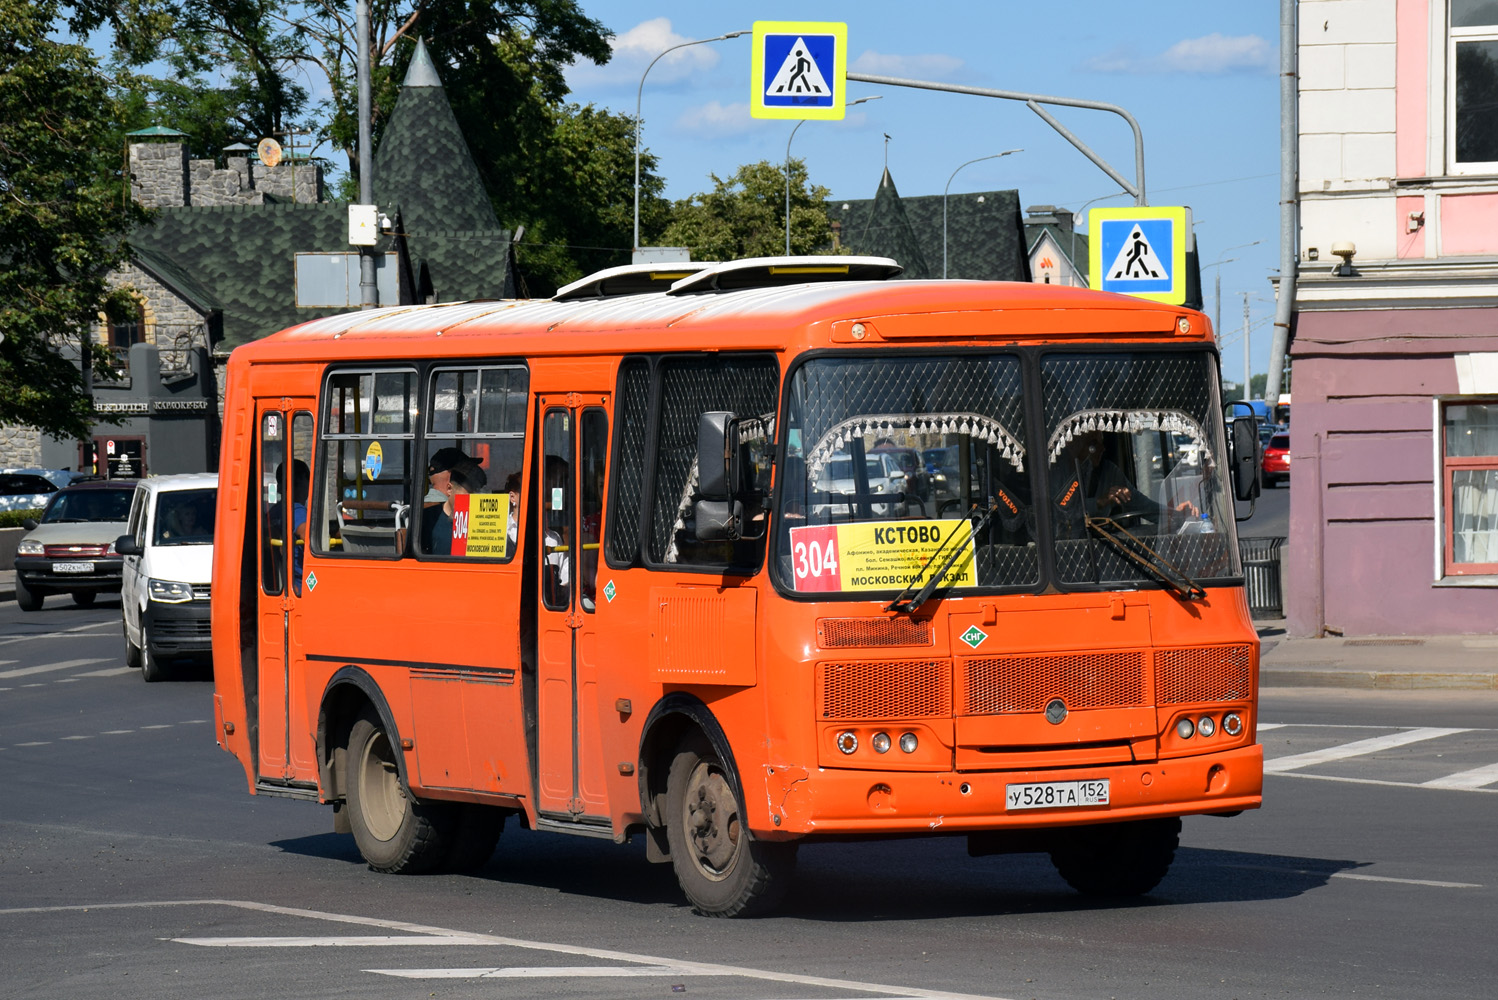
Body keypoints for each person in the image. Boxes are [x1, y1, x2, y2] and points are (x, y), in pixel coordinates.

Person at [1051, 430, 1192, 536]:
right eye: (1093, 444)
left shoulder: (1109, 472)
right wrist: (1099, 503)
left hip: (1101, 551)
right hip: (1065, 551)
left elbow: (1141, 505)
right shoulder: (1057, 473)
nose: (1101, 449)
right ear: (1072, 445)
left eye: (1101, 443)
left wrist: (1174, 515)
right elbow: (1059, 514)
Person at [423, 458, 485, 555]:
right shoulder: (427, 519)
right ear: (449, 489)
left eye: (476, 497)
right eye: (467, 496)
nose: (472, 502)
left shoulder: (481, 521)